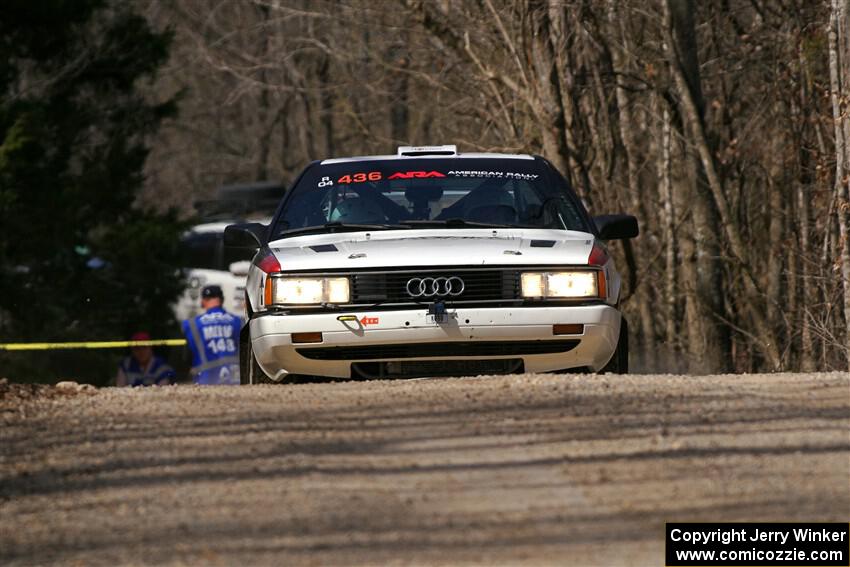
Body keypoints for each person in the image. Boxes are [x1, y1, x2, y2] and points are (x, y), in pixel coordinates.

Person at [182, 285, 241, 385]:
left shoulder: (192, 324)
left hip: (205, 380)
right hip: (235, 380)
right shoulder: (239, 321)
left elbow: (186, 357)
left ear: (203, 301)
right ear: (222, 300)